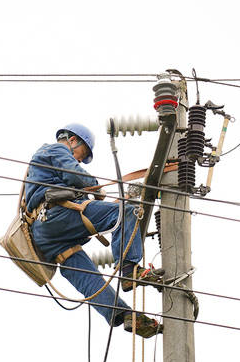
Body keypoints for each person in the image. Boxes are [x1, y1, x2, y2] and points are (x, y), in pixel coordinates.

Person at [23, 123, 163, 338]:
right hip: (56, 215)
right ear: (72, 140)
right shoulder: (56, 149)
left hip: (46, 235)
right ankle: (129, 269)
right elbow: (75, 175)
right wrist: (96, 187)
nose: (78, 159)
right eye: (82, 153)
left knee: (89, 279)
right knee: (127, 211)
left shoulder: (39, 166)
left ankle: (123, 315)